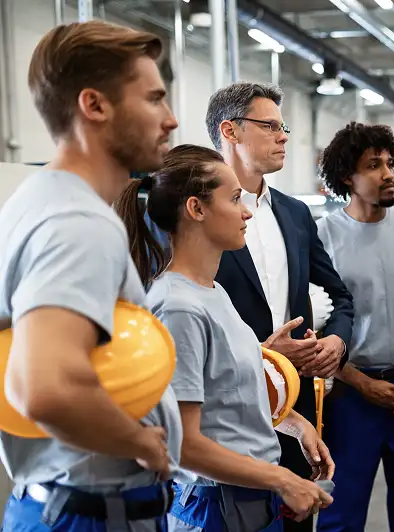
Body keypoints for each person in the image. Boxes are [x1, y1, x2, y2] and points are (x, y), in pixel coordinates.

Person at [0, 20, 182, 530]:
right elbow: (46, 388)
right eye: (154, 100)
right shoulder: (78, 222)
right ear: (94, 106)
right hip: (90, 512)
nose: (170, 120)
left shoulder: (35, 201)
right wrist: (140, 441)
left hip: (58, 503)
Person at [115, 144, 334, 531]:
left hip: (247, 494)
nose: (247, 211)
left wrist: (296, 424)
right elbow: (182, 443)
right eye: (234, 199)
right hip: (216, 503)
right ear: (196, 209)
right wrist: (283, 479)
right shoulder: (179, 307)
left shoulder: (213, 292)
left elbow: (228, 394)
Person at [206, 82, 354, 532]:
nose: (284, 135)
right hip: (225, 414)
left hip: (295, 408)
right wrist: (264, 356)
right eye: (270, 126)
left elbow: (341, 295)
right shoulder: (200, 214)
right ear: (229, 131)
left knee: (296, 519)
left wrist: (336, 340)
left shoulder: (294, 214)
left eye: (282, 126)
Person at [314, 123, 394, 532]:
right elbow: (315, 325)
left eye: (389, 163)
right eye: (373, 165)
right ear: (347, 179)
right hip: (352, 398)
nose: (387, 173)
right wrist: (359, 382)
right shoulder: (323, 236)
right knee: (341, 510)